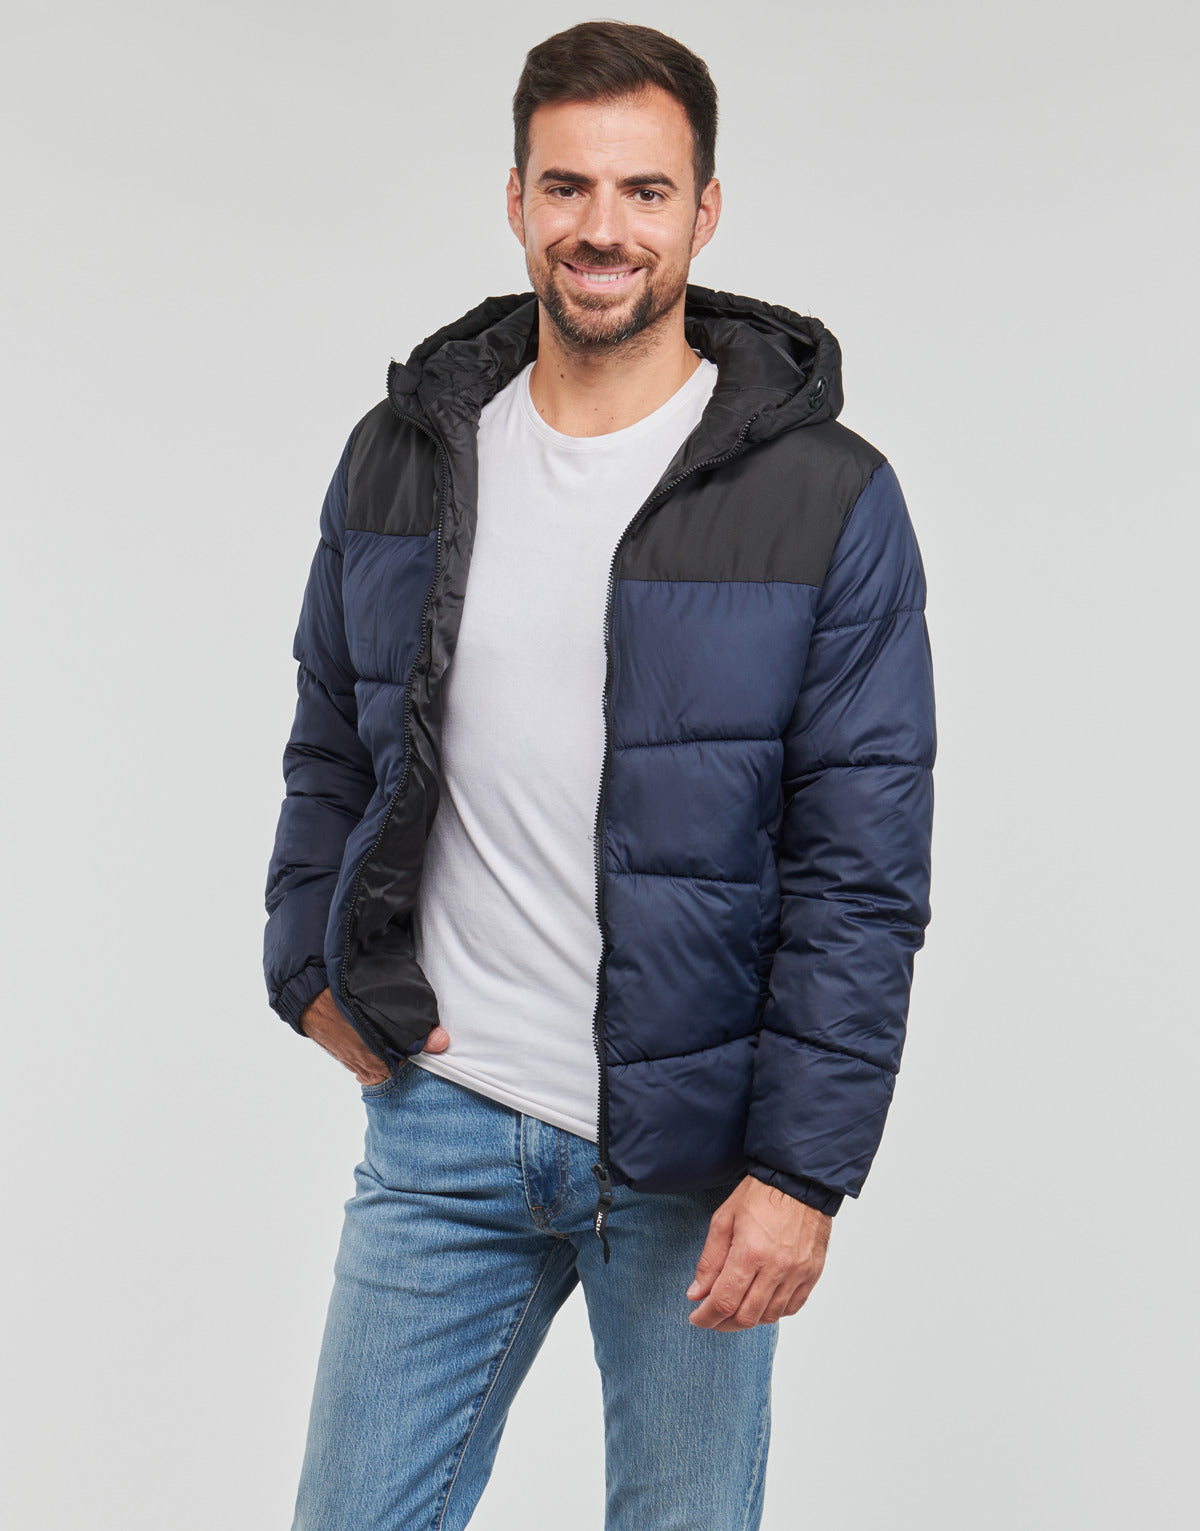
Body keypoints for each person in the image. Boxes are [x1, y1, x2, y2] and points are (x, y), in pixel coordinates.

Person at [262, 20, 936, 1530]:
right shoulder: (405, 455)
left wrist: (803, 1173)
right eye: (567, 187)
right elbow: (328, 735)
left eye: (645, 191)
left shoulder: (828, 497)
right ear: (517, 201)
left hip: (694, 1161)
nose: (602, 228)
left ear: (706, 211)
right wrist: (307, 964)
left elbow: (861, 866)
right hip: (443, 1118)